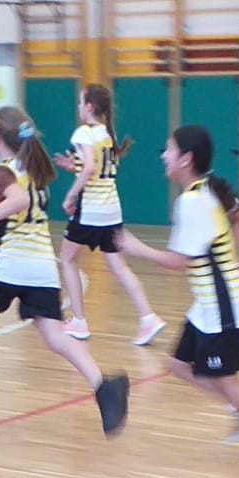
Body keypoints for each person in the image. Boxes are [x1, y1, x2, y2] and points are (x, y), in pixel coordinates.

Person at [115, 125, 239, 466]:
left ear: (186, 159)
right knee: (177, 364)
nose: (164, 156)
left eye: (169, 150)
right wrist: (227, 259)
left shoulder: (191, 202)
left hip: (221, 306)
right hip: (208, 303)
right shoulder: (207, 190)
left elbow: (178, 262)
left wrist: (135, 247)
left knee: (225, 380)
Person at [0, 106, 129, 436]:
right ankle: (103, 386)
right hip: (43, 268)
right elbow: (21, 205)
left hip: (12, 264)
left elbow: (18, 203)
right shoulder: (33, 169)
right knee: (55, 337)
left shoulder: (1, 172)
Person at [51, 83, 165, 346]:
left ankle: (79, 321)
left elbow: (91, 168)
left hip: (91, 210)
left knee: (67, 259)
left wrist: (70, 195)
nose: (78, 107)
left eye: (80, 102)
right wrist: (74, 166)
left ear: (89, 106)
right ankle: (148, 318)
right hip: (111, 209)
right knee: (119, 266)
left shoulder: (84, 132)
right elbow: (97, 168)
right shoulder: (107, 134)